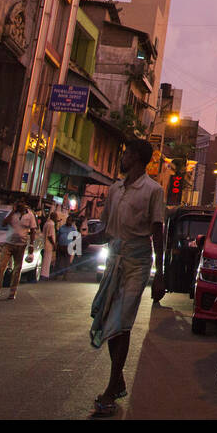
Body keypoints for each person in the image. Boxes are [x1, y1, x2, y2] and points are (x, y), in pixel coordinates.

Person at [85, 139, 164, 416]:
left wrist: (160, 275)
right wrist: (84, 239)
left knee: (122, 323)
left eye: (127, 154)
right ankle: (117, 380)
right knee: (109, 318)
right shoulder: (115, 189)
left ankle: (109, 390)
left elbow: (157, 232)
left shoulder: (154, 190)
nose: (123, 157)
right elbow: (106, 229)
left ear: (139, 159)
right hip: (114, 258)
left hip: (138, 262)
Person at [0, 199, 36, 300]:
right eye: (17, 204)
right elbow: (3, 223)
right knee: (1, 267)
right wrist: (12, 211)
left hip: (21, 245)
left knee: (17, 269)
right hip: (8, 243)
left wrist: (31, 245)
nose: (19, 206)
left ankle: (12, 292)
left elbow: (33, 231)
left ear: (25, 204)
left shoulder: (30, 215)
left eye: (21, 204)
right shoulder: (12, 213)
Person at [39, 210, 57, 281]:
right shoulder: (51, 224)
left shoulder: (47, 223)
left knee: (45, 259)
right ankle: (44, 275)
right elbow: (50, 236)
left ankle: (44, 274)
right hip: (48, 245)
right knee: (47, 260)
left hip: (45, 243)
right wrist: (54, 244)